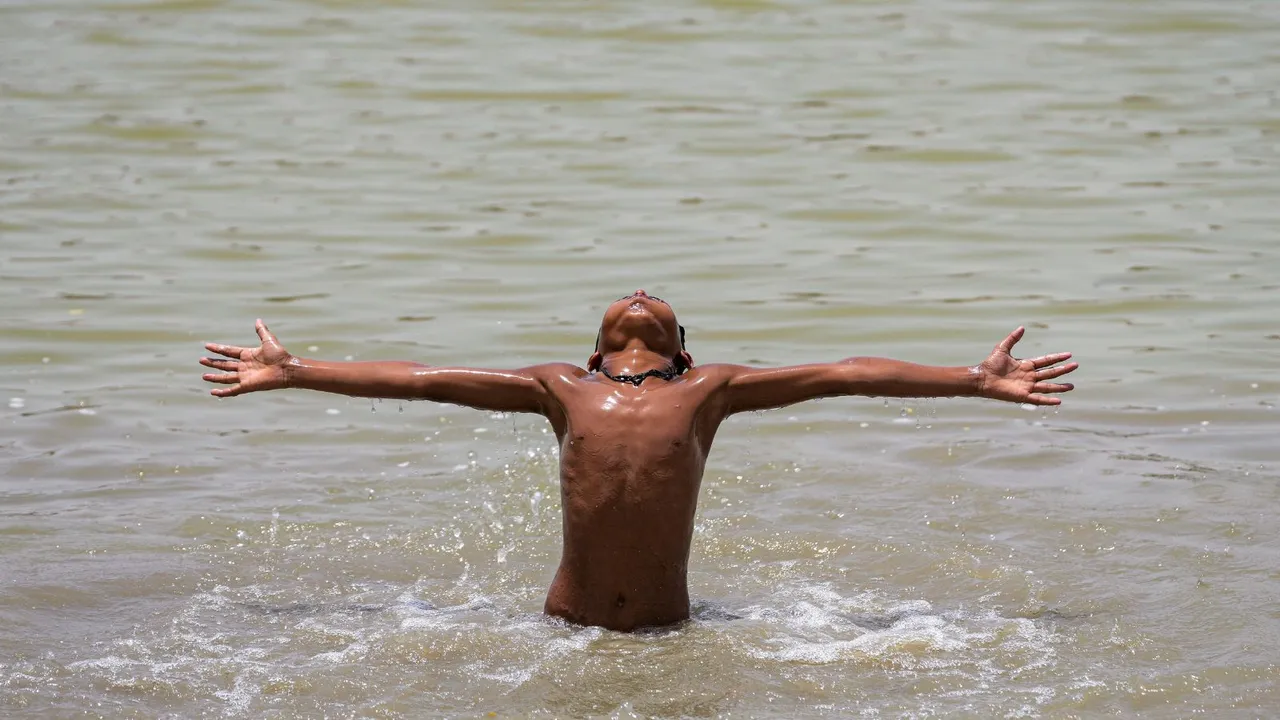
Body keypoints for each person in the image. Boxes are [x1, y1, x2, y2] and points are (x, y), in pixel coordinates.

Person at [200, 290, 1077, 632]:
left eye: (662, 310)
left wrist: (972, 378)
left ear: (686, 356)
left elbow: (847, 375)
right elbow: (426, 379)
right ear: (591, 355)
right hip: (564, 628)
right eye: (623, 308)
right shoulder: (558, 388)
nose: (643, 296)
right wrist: (301, 370)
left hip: (666, 630)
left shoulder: (711, 391)